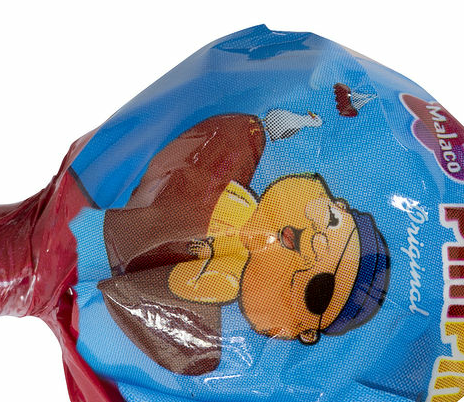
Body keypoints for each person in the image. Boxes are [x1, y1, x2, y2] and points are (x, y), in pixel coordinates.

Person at [99, 114, 390, 376]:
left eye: (320, 288)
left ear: (307, 332)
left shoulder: (205, 322)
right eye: (331, 221)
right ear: (338, 205)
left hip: (121, 255)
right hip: (133, 187)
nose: (316, 244)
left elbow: (173, 297)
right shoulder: (238, 146)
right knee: (245, 132)